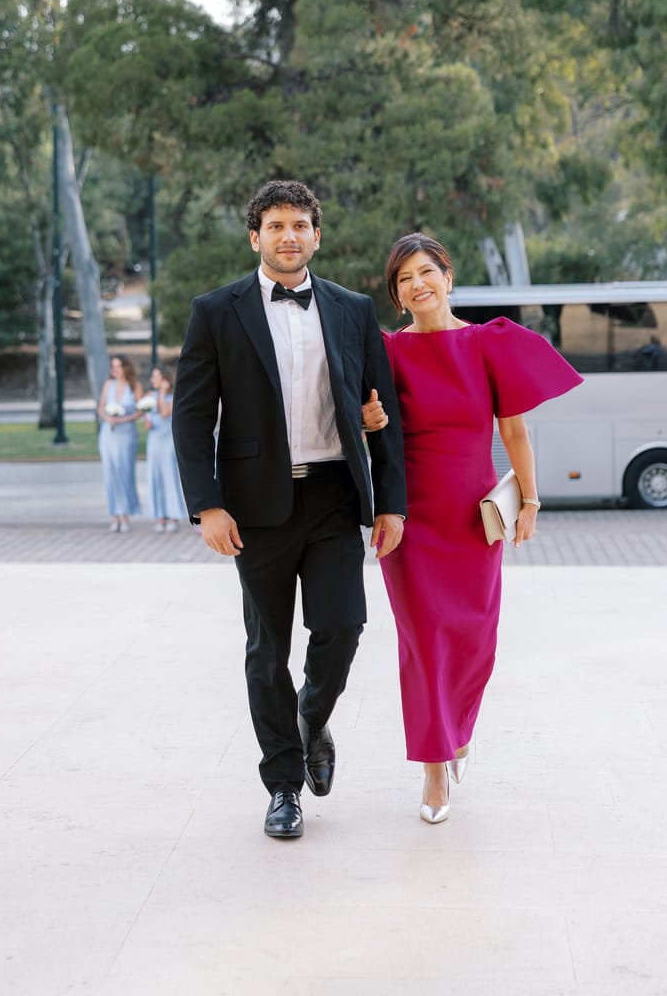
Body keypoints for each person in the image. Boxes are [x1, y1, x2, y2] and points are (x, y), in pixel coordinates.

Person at [172, 179, 407, 840]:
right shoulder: (216, 311)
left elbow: (383, 415)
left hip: (333, 496)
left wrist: (391, 504)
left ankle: (312, 712)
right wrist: (207, 506)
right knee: (265, 648)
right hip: (254, 507)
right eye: (275, 226)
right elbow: (192, 421)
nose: (288, 236)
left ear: (316, 235)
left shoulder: (353, 308)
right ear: (256, 237)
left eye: (300, 225)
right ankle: (282, 786)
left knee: (343, 625)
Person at [372, 234, 582, 824]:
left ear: (447, 275)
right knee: (423, 642)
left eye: (425, 272)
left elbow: (513, 432)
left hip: (472, 518)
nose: (417, 284)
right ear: (397, 294)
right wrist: (369, 418)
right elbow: (370, 428)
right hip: (410, 521)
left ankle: (456, 729)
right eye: (404, 279)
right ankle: (434, 770)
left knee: (472, 639)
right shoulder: (387, 351)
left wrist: (531, 500)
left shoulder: (487, 343)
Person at [97, 354, 144, 533]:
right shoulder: (108, 385)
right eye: (113, 366)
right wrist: (108, 417)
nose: (115, 370)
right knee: (110, 474)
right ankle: (114, 515)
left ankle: (125, 514)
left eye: (118, 366)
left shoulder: (135, 386)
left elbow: (141, 411)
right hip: (108, 433)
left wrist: (125, 418)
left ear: (125, 367)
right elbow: (101, 407)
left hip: (126, 434)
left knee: (124, 472)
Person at [143, 365, 186, 532]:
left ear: (165, 380)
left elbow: (165, 413)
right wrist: (146, 418)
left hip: (168, 441)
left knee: (169, 476)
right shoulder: (148, 396)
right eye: (152, 377)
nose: (153, 380)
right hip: (154, 440)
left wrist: (162, 393)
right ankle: (159, 516)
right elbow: (149, 420)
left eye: (156, 377)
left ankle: (173, 515)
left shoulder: (173, 396)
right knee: (155, 476)